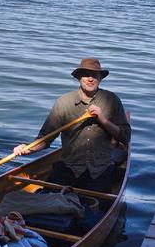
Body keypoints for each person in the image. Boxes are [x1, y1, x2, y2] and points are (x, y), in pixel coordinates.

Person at [13, 58, 130, 193]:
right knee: (44, 200)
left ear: (100, 78)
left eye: (95, 75)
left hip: (100, 168)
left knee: (97, 208)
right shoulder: (64, 102)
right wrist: (28, 149)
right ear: (79, 78)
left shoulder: (112, 100)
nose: (90, 79)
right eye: (86, 75)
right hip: (69, 166)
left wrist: (103, 120)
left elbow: (125, 137)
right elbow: (46, 138)